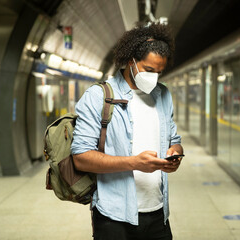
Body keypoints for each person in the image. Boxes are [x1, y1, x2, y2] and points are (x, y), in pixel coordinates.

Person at [71, 23, 183, 240]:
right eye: (149, 70)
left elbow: (174, 139)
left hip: (158, 212)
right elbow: (81, 158)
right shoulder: (98, 96)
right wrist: (135, 163)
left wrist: (174, 153)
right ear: (131, 61)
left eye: (159, 72)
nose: (154, 77)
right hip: (114, 215)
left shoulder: (163, 95)